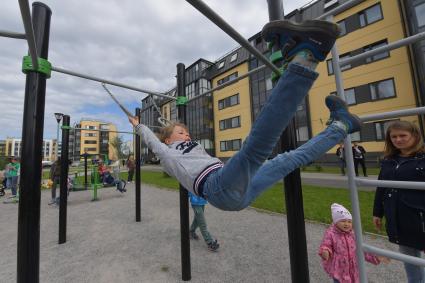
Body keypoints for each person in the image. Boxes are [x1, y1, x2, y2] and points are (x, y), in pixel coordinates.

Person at [128, 19, 362, 212]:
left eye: (186, 131)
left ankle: (339, 127)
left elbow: (202, 157)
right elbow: (153, 143)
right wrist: (139, 127)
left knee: (288, 160)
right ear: (168, 140)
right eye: (181, 132)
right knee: (255, 148)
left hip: (233, 190)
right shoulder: (168, 155)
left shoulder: (191, 147)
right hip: (218, 187)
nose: (187, 134)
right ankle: (307, 57)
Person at [372, 120, 425, 283]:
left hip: (420, 217)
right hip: (399, 217)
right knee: (409, 258)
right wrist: (377, 213)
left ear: (415, 136)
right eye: (394, 136)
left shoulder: (422, 159)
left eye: (403, 135)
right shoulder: (389, 160)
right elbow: (381, 187)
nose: (398, 139)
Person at [319, 203, 386, 283]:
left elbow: (361, 250)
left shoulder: (353, 234)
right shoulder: (331, 233)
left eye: (349, 221)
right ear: (336, 222)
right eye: (343, 221)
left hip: (354, 269)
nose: (346, 224)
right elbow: (326, 244)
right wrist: (325, 251)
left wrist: (376, 256)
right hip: (339, 269)